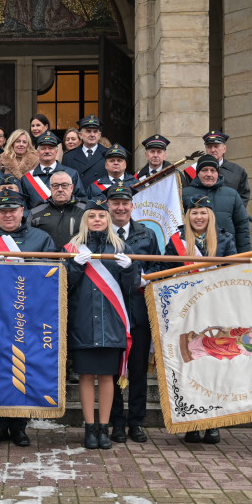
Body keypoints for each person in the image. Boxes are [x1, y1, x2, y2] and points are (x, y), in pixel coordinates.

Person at [0, 189, 57, 447]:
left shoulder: (41, 238)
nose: (8, 214)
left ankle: (20, 426)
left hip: (27, 312)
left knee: (24, 368)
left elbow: (53, 274)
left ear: (23, 212)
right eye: (3, 210)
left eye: (13, 210)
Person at [64, 198, 138, 450]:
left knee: (107, 377)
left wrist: (129, 269)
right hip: (83, 321)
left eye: (101, 216)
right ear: (85, 221)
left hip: (111, 322)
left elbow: (130, 288)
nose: (97, 220)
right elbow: (64, 286)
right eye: (92, 216)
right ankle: (89, 427)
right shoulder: (72, 248)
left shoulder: (119, 246)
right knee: (86, 376)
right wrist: (74, 266)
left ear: (108, 220)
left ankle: (103, 427)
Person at [162, 195, 237, 445]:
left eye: (203, 212)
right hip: (186, 312)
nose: (198, 217)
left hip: (217, 311)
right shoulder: (177, 241)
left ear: (210, 215)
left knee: (215, 366)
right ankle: (192, 422)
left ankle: (214, 423)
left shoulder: (225, 239)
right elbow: (165, 276)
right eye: (194, 213)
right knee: (190, 365)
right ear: (187, 216)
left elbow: (234, 273)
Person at [104, 185, 158, 444]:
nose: (120, 208)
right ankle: (116, 422)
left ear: (131, 206)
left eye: (124, 203)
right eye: (115, 203)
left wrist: (144, 278)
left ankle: (136, 422)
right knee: (112, 373)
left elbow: (158, 266)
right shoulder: (99, 234)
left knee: (137, 372)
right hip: (109, 313)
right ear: (108, 206)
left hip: (137, 313)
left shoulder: (146, 234)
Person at [183, 154, 251, 253]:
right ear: (198, 173)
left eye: (213, 170)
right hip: (193, 254)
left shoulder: (232, 195)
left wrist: (244, 255)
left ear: (217, 173)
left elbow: (242, 227)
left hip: (226, 252)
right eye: (204, 170)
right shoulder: (184, 194)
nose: (209, 174)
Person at [22, 130, 81, 208]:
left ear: (56, 151)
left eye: (51, 148)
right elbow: (24, 207)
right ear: (37, 152)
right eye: (43, 148)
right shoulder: (27, 179)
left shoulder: (71, 174)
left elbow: (80, 201)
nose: (47, 151)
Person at [29, 171, 86, 249]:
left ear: (72, 188)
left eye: (64, 185)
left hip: (76, 259)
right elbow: (29, 238)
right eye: (55, 186)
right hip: (46, 259)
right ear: (50, 188)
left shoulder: (85, 210)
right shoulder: (36, 211)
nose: (60, 189)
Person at [198, 130, 250, 204]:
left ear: (224, 149)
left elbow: (244, 196)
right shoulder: (196, 170)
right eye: (209, 147)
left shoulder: (237, 171)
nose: (212, 150)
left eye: (216, 146)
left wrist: (235, 212)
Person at [62, 115, 108, 190]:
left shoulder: (108, 154)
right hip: (78, 200)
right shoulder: (68, 157)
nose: (92, 135)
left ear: (99, 135)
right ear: (80, 135)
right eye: (88, 131)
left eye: (95, 131)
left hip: (101, 199)